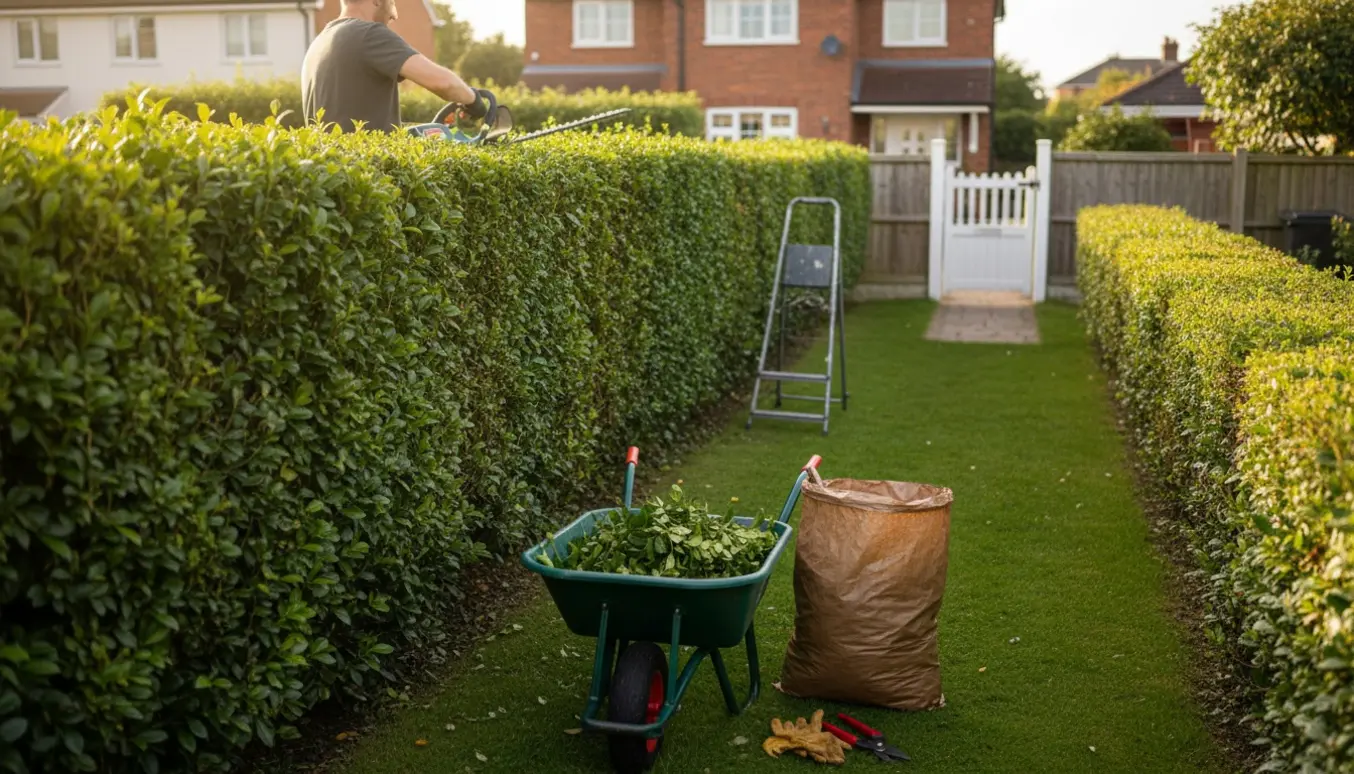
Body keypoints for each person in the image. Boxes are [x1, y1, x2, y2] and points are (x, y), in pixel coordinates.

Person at [302, 0, 485, 133]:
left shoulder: (319, 43)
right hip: (369, 179)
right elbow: (444, 83)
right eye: (391, 2)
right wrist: (474, 101)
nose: (394, 15)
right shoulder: (369, 34)